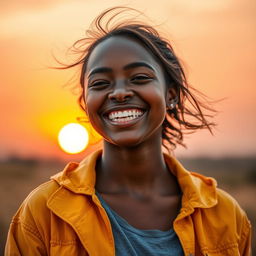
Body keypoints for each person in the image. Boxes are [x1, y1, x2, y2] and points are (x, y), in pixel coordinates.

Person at [5, 7, 251, 256]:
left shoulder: (226, 217)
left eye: (140, 77)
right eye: (100, 83)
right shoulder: (43, 212)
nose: (119, 92)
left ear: (171, 95)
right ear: (86, 103)